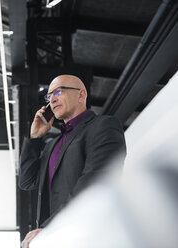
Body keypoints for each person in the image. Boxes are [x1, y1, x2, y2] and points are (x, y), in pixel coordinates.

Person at [19, 75, 126, 248]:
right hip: (56, 240)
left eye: (58, 91)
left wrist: (49, 227)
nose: (52, 99)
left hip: (90, 239)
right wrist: (35, 138)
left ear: (81, 95)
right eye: (48, 96)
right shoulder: (51, 145)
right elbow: (27, 181)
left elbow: (96, 183)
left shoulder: (103, 126)